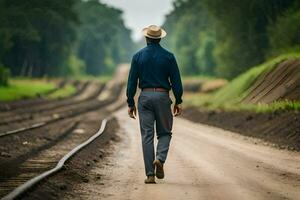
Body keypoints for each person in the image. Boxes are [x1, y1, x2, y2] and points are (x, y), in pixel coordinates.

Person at [126, 25, 183, 184]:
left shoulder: (137, 56)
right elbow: (176, 82)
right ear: (159, 39)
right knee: (165, 133)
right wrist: (178, 100)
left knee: (147, 136)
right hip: (163, 97)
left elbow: (132, 83)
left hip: (144, 98)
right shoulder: (169, 57)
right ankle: (160, 158)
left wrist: (131, 102)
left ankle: (150, 175)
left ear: (146, 38)